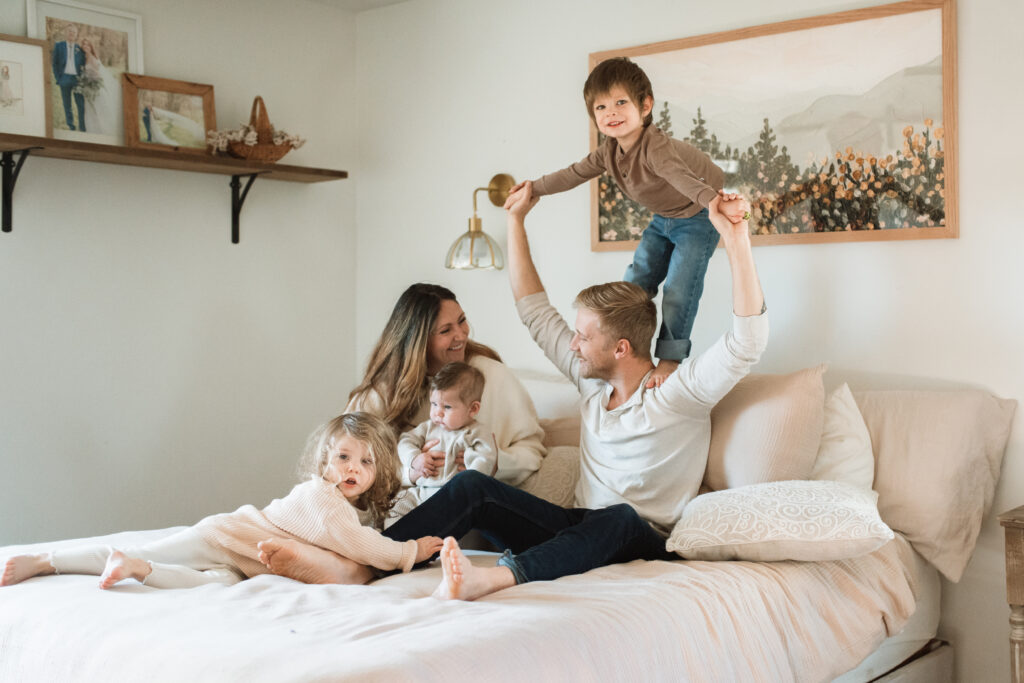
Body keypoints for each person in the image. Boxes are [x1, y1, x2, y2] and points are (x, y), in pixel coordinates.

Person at [257, 181, 767, 602]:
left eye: (583, 335)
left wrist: (737, 240)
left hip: (640, 539)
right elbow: (533, 309)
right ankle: (359, 560)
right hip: (575, 529)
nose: (571, 342)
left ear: (621, 348)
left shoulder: (676, 394)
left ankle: (499, 576)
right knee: (474, 489)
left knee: (622, 518)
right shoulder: (591, 384)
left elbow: (747, 341)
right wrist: (516, 221)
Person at [505, 57, 750, 388]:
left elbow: (680, 177)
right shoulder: (607, 152)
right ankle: (620, 347)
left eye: (621, 102)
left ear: (645, 106)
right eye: (601, 107)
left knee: (679, 288)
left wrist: (714, 202)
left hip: (696, 215)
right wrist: (534, 188)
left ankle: (669, 360)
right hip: (663, 219)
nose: (611, 112)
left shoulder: (655, 147)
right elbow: (573, 174)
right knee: (634, 282)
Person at [0, 413, 442, 590]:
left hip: (245, 563)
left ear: (377, 471)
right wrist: (410, 550)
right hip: (228, 535)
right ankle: (46, 560)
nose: (353, 468)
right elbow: (362, 545)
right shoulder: (323, 500)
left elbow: (353, 535)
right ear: (325, 460)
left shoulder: (339, 506)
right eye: (344, 456)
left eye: (365, 462)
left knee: (212, 586)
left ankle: (138, 573)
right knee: (149, 548)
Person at [346, 283, 544, 507]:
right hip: (404, 506)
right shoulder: (380, 394)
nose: (461, 335)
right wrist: (411, 470)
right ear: (418, 343)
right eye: (445, 330)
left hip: (469, 508)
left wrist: (492, 463)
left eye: (461, 321)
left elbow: (531, 450)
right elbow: (344, 461)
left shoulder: (492, 376)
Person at [393, 361, 496, 518]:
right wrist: (415, 458)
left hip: (452, 494)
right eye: (434, 404)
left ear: (473, 409)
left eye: (447, 407)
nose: (437, 413)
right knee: (396, 506)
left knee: (453, 517)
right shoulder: (429, 427)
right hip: (422, 491)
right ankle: (391, 541)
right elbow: (405, 441)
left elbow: (485, 459)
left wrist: (470, 466)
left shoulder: (477, 432)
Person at [80, 38, 119, 136]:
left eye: (87, 45)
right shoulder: (85, 57)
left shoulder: (93, 58)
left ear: (90, 47)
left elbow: (98, 74)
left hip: (95, 87)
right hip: (89, 88)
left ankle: (106, 129)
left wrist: (90, 80)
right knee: (92, 110)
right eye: (84, 44)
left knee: (101, 108)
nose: (85, 46)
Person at [51, 23, 86, 131]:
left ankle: (82, 127)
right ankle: (71, 126)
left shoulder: (79, 49)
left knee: (80, 105)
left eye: (74, 32)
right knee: (67, 105)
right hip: (64, 79)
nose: (71, 33)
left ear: (76, 35)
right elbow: (54, 63)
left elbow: (83, 64)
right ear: (66, 32)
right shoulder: (59, 45)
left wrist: (82, 79)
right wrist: (58, 78)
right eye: (69, 31)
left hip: (77, 80)